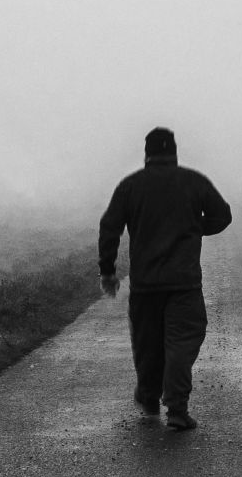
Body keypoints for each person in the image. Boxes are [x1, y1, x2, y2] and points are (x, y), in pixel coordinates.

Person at [97, 127, 232, 430]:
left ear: (146, 153)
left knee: (147, 345)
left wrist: (107, 270)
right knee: (182, 343)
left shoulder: (130, 186)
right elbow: (222, 215)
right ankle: (177, 409)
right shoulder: (194, 181)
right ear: (174, 151)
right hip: (184, 284)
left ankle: (149, 398)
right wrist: (195, 227)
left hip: (145, 285)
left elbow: (110, 227)